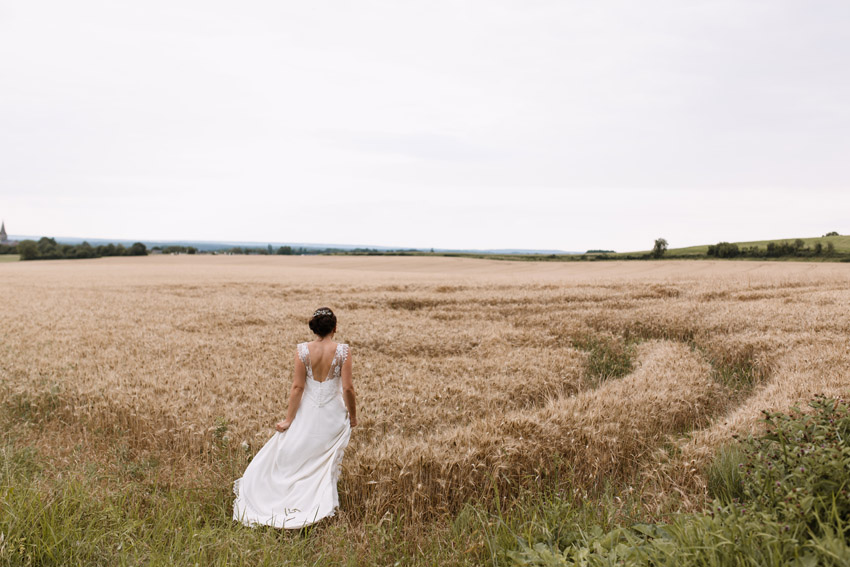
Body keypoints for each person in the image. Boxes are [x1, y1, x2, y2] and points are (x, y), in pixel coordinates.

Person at [233, 307, 357, 528]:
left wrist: (289, 420)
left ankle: (289, 501)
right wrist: (353, 416)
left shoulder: (302, 350)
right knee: (323, 462)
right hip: (333, 415)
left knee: (301, 456)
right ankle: (321, 504)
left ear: (314, 328)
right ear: (335, 328)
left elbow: (297, 387)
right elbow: (347, 388)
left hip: (307, 413)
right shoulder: (343, 351)